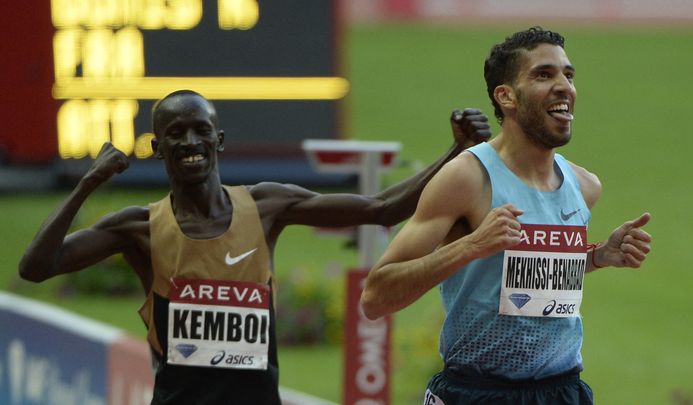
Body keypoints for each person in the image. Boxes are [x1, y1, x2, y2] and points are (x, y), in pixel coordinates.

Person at [17, 89, 490, 404]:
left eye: (200, 129)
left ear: (218, 140)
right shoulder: (139, 226)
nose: (190, 141)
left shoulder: (266, 206)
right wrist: (87, 183)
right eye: (175, 134)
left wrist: (455, 152)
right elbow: (36, 268)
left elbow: (381, 208)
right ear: (158, 148)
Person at [360, 27, 652, 405]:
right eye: (544, 74)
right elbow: (376, 296)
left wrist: (597, 256)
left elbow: (525, 278)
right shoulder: (467, 178)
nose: (564, 86)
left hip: (562, 391)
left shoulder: (584, 186)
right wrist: (470, 246)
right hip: (477, 392)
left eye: (568, 74)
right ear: (506, 96)